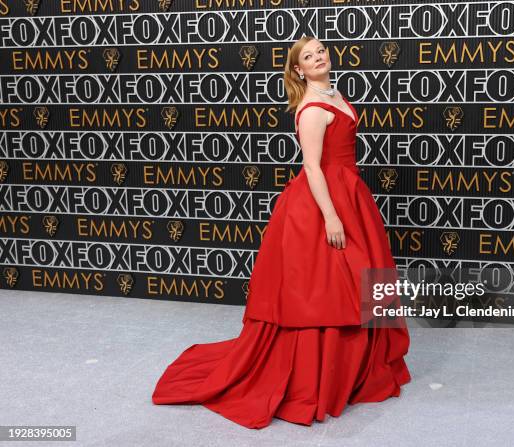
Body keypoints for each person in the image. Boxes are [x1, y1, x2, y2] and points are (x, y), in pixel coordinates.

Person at [151, 36, 411, 429]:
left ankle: (357, 369)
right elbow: (312, 168)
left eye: (320, 50)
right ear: (298, 70)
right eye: (308, 56)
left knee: (357, 281)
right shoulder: (310, 109)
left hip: (350, 193)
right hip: (324, 202)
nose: (318, 57)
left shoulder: (334, 94)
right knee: (325, 288)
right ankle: (321, 375)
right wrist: (331, 216)